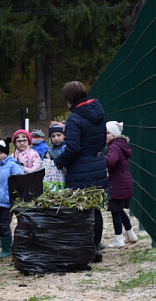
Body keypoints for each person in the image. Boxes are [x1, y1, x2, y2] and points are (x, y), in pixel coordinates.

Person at [53, 81, 108, 262]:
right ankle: (95, 248)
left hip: (80, 169)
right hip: (97, 163)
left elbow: (73, 148)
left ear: (69, 99)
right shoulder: (98, 112)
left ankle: (84, 250)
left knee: (81, 209)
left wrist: (59, 161)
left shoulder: (75, 118)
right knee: (94, 208)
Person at [105, 121, 138, 247]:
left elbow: (111, 161)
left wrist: (99, 161)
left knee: (115, 211)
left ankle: (118, 238)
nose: (105, 135)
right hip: (124, 182)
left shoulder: (113, 147)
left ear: (114, 134)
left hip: (118, 183)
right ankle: (130, 234)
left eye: (107, 133)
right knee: (119, 210)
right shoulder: (120, 145)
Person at [0, 136, 23, 259]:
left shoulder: (12, 165)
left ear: (6, 152)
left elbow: (19, 179)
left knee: (5, 225)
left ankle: (7, 248)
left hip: (6, 201)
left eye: (1, 153)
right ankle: (4, 245)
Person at [43, 124, 67, 192]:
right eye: (53, 136)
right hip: (54, 179)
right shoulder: (50, 151)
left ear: (64, 135)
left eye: (59, 135)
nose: (56, 138)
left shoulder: (66, 149)